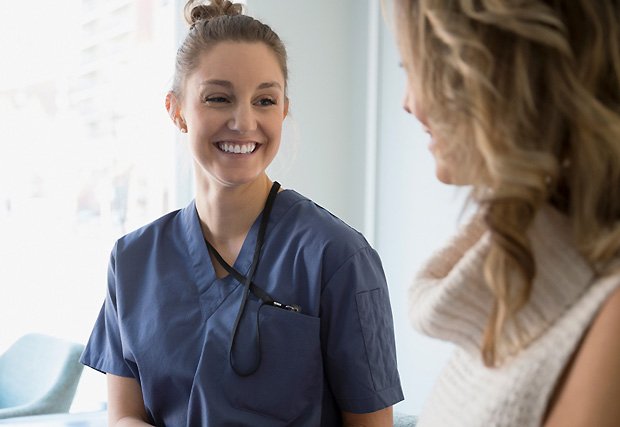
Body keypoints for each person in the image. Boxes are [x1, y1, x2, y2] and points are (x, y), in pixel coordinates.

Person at [80, 1, 404, 425]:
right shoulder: (132, 260)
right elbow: (124, 416)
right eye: (218, 98)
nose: (244, 121)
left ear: (284, 109)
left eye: (265, 100)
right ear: (176, 110)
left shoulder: (338, 256)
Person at [390, 0, 620, 426]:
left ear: (488, 69)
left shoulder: (609, 322)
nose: (408, 102)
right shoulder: (512, 276)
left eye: (413, 67)